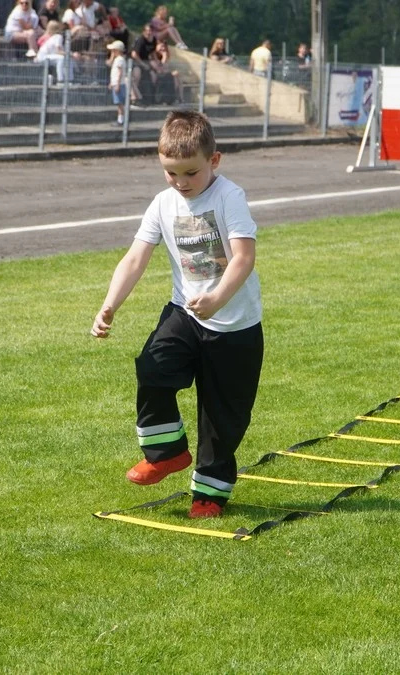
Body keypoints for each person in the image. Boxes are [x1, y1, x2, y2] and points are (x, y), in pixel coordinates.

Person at [90, 110, 263, 520]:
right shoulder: (162, 203)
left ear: (214, 161)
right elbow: (135, 258)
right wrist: (110, 304)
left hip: (235, 326)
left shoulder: (228, 196)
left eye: (191, 172)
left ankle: (209, 495)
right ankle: (167, 453)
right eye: (171, 173)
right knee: (153, 366)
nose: (182, 183)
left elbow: (244, 257)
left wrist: (219, 297)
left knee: (223, 418)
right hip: (185, 313)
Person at [106, 38, 125, 124]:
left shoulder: (120, 60)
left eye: (114, 50)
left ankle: (120, 120)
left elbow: (120, 72)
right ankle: (120, 119)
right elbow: (109, 63)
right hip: (116, 83)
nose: (112, 52)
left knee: (119, 103)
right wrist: (111, 83)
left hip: (119, 84)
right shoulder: (116, 59)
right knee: (118, 103)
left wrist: (117, 84)